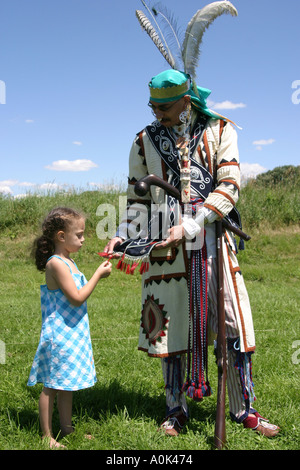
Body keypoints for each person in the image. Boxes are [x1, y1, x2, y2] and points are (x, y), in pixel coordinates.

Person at [103, 69, 279, 438]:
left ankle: (243, 408)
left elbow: (229, 186)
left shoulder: (220, 129)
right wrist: (121, 236)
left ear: (187, 101)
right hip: (163, 244)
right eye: (152, 106)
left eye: (164, 106)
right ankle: (175, 408)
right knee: (170, 325)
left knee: (231, 322)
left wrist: (194, 224)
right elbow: (137, 200)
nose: (157, 113)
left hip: (212, 238)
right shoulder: (143, 140)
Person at [28, 207, 112, 448]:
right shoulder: (56, 264)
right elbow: (76, 297)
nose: (84, 239)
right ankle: (46, 437)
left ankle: (67, 429)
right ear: (61, 237)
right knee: (51, 386)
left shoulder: (69, 261)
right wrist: (97, 275)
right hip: (60, 335)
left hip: (72, 332)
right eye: (80, 234)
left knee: (66, 384)